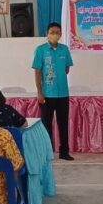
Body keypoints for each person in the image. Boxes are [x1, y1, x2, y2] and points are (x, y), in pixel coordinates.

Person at [32, 22, 74, 160]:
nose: (55, 34)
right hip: (47, 94)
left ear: (60, 34)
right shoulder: (40, 50)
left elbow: (67, 69)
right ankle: (47, 153)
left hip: (63, 94)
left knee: (63, 123)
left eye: (57, 32)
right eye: (52, 32)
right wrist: (40, 92)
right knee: (46, 125)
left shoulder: (64, 49)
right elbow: (37, 72)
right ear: (47, 34)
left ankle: (64, 152)